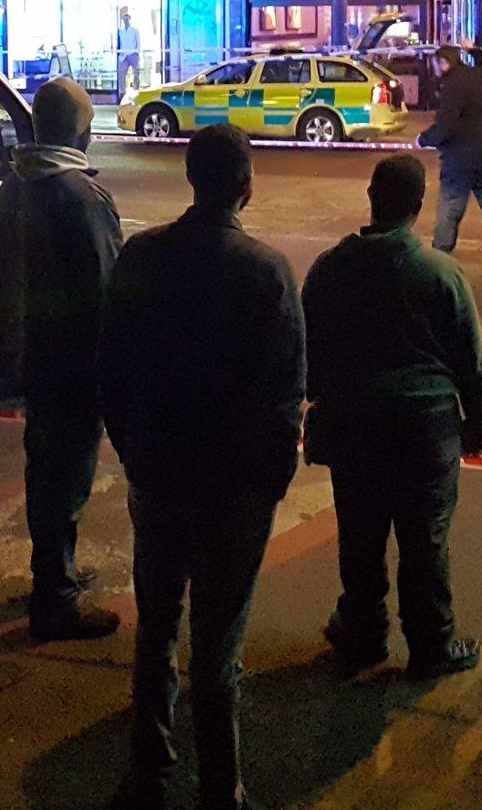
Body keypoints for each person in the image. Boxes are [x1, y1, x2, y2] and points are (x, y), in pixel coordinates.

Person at [99, 125, 305, 810]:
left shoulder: (142, 258)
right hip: (233, 489)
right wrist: (271, 483)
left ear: (190, 178)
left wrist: (135, 451)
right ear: (246, 186)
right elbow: (285, 395)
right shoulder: (267, 271)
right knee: (218, 646)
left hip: (159, 475)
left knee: (156, 628)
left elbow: (114, 371)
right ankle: (222, 788)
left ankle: (148, 775)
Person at [303, 153, 482, 680]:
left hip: (353, 426)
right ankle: (432, 645)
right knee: (425, 540)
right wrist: (476, 423)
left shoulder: (329, 269)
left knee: (359, 537)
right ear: (418, 206)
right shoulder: (440, 272)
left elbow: (308, 357)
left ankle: (362, 635)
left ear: (371, 198)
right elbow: (471, 362)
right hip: (425, 430)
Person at [0, 75, 123, 641]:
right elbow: (109, 289)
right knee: (65, 481)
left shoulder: (13, 187)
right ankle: (56, 599)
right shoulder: (79, 197)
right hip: (73, 366)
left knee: (44, 473)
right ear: (81, 131)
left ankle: (54, 573)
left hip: (30, 355)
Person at [419, 45, 482, 269]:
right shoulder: (481, 77)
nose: (434, 69)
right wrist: (474, 50)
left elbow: (446, 125)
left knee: (450, 206)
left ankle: (440, 255)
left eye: (435, 64)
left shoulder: (452, 85)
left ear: (444, 63)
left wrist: (423, 139)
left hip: (459, 158)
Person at [117, 8, 143, 98]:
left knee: (136, 73)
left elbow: (139, 43)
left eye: (127, 19)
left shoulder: (135, 31)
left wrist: (137, 53)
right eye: (124, 19)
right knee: (121, 74)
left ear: (129, 19)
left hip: (133, 54)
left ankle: (136, 92)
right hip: (123, 55)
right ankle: (122, 93)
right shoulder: (120, 31)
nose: (125, 20)